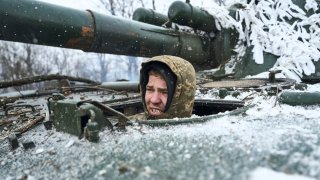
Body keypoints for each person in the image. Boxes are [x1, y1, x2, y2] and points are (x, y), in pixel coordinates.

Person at [131, 55, 196, 120]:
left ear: (181, 96)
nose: (154, 100)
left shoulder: (200, 128)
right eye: (149, 89)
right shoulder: (130, 125)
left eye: (165, 92)